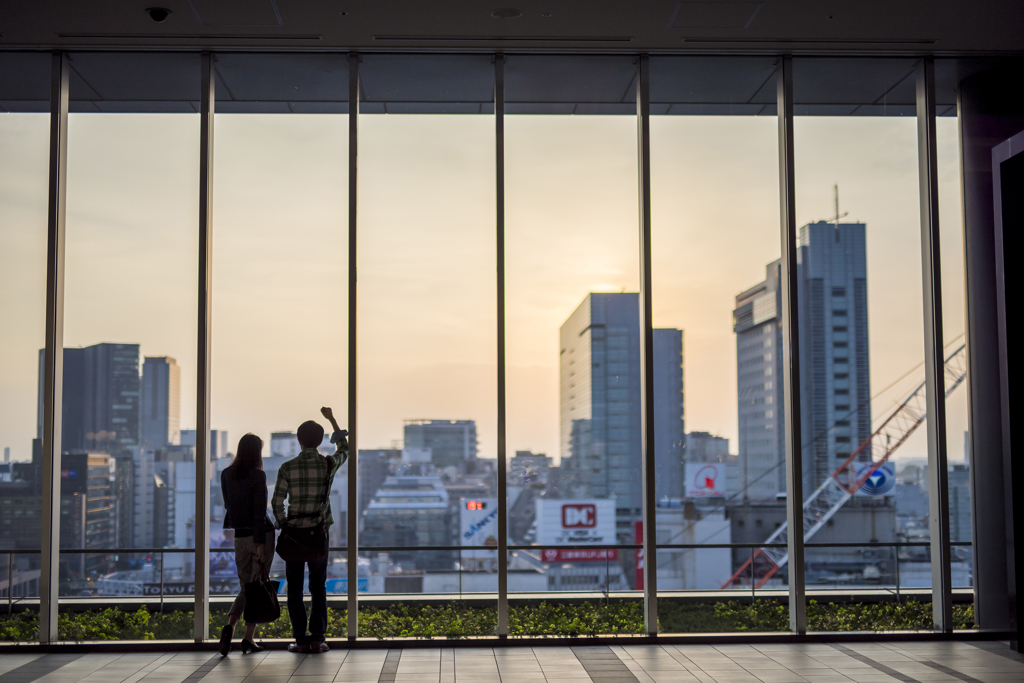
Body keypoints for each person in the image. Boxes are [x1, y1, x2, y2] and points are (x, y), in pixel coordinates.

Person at [272, 407, 349, 654]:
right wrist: (333, 420)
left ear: (298, 439)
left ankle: (300, 639)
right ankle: (318, 638)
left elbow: (276, 503)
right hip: (318, 534)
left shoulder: (287, 467)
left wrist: (284, 523)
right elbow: (344, 449)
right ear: (319, 440)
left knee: (294, 588)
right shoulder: (327, 464)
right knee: (318, 587)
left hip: (293, 534)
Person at [218, 433, 275, 656]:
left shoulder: (225, 474)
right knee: (257, 586)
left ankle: (230, 626)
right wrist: (260, 543)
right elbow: (260, 511)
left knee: (245, 586)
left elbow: (227, 505)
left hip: (239, 536)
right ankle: (248, 638)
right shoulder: (258, 476)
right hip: (261, 535)